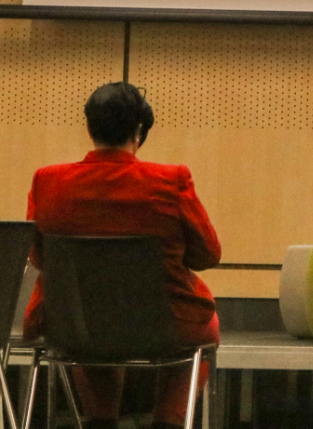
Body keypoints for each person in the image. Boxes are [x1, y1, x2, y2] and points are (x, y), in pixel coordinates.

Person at [23, 83, 221, 429]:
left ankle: (100, 421)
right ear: (138, 131)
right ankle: (169, 423)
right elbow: (208, 254)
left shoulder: (48, 181)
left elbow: (39, 258)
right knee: (205, 325)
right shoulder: (170, 180)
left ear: (90, 128)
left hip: (74, 327)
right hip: (164, 327)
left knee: (90, 320)